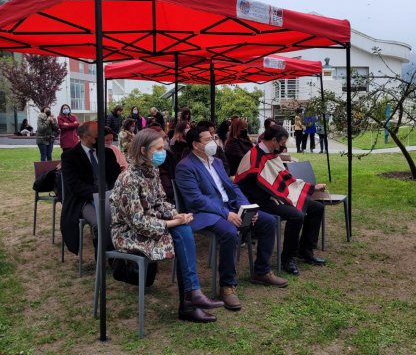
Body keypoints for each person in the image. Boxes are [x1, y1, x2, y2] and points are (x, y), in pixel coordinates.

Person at [110, 128, 223, 323]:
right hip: (128, 234)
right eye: (159, 148)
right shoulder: (128, 179)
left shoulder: (151, 171)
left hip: (150, 226)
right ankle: (190, 299)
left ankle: (191, 297)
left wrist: (176, 214)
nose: (164, 152)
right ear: (143, 150)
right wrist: (173, 222)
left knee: (182, 230)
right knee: (181, 234)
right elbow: (138, 222)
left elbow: (161, 202)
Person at [175, 127, 287, 312]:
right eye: (207, 140)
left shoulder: (217, 162)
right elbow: (196, 200)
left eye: (213, 138)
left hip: (230, 208)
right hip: (205, 213)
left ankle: (261, 271)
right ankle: (227, 287)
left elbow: (233, 188)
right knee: (229, 231)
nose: (213, 142)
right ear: (195, 145)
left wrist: (247, 208)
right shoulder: (185, 166)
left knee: (268, 221)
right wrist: (225, 213)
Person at [235, 125, 326, 276]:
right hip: (260, 201)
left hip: (277, 196)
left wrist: (309, 188)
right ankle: (287, 258)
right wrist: (273, 194)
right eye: (282, 143)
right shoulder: (253, 156)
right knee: (297, 215)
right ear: (273, 141)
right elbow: (243, 186)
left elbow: (284, 178)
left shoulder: (271, 154)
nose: (283, 147)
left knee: (317, 208)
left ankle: (305, 250)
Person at [60, 121, 121, 256]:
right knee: (101, 222)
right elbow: (75, 186)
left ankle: (119, 255)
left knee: (124, 217)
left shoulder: (107, 153)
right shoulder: (70, 156)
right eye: (96, 135)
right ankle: (104, 257)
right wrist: (98, 194)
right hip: (84, 200)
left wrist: (112, 192)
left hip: (110, 196)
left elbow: (117, 176)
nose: (100, 137)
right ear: (85, 136)